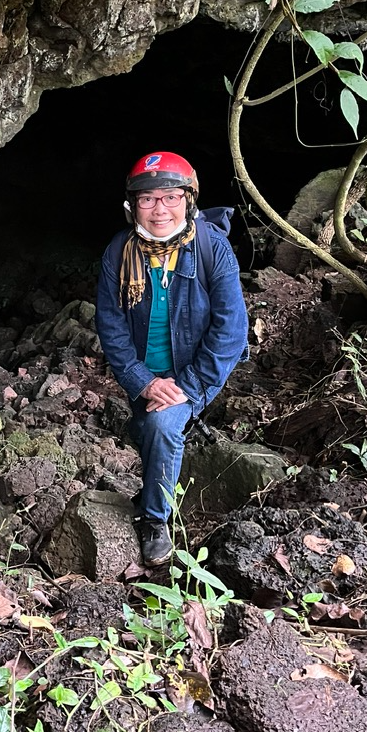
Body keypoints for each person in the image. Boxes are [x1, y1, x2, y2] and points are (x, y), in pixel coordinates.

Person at [95, 152, 249, 566]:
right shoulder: (119, 252)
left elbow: (232, 331)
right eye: (147, 199)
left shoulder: (211, 247)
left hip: (193, 371)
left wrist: (189, 387)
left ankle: (155, 518)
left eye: (170, 197)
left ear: (189, 200)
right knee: (147, 422)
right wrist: (143, 381)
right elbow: (111, 326)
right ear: (132, 206)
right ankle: (167, 459)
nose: (159, 209)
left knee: (162, 423)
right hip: (147, 373)